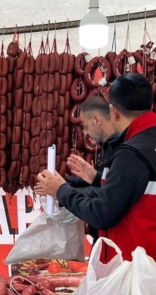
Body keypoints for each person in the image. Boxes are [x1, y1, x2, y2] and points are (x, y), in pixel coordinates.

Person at [35, 73, 156, 295]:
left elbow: (102, 214)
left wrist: (60, 190)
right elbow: (142, 191)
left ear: (113, 111)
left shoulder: (131, 153)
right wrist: (97, 178)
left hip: (154, 284)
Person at [64, 96, 121, 244]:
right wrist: (68, 182)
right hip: (104, 239)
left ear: (96, 120)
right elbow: (102, 182)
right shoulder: (109, 146)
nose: (83, 132)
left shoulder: (121, 150)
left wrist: (61, 191)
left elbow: (106, 195)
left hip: (114, 241)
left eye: (84, 125)